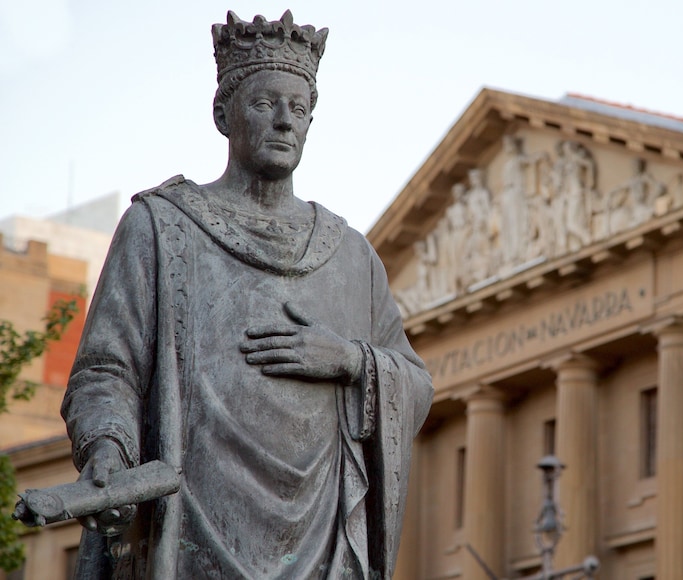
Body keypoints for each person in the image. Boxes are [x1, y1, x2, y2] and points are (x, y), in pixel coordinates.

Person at [60, 11, 433, 579]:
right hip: (190, 521)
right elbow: (106, 369)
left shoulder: (352, 256)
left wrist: (351, 361)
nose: (285, 122)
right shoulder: (161, 228)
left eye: (300, 109)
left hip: (318, 540)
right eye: (265, 105)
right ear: (222, 114)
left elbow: (417, 382)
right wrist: (108, 453)